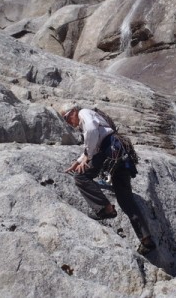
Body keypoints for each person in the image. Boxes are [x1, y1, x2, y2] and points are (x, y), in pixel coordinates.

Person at [62, 105, 156, 255]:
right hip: (118, 152)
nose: (68, 122)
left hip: (108, 151)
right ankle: (146, 239)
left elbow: (92, 131)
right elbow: (94, 140)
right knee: (126, 201)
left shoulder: (83, 113)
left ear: (73, 111)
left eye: (66, 117)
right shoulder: (89, 117)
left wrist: (88, 156)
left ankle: (105, 209)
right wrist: (80, 159)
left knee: (81, 176)